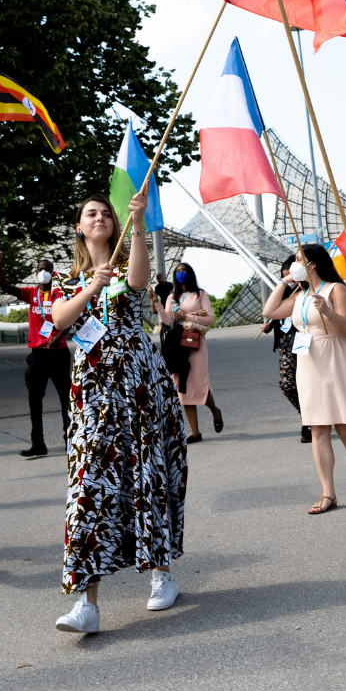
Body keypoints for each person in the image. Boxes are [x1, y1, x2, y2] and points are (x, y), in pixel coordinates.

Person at [51, 191, 187, 634]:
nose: (100, 218)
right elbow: (59, 319)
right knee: (91, 486)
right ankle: (87, 604)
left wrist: (138, 222)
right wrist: (92, 284)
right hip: (93, 395)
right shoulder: (64, 278)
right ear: (78, 226)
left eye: (106, 213)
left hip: (139, 385)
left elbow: (137, 280)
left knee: (148, 473)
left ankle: (161, 573)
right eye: (91, 214)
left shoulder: (126, 263)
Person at [264, 244, 346, 512]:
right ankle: (329, 493)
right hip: (308, 363)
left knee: (344, 426)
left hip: (334, 359)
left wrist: (327, 310)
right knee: (317, 429)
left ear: (312, 263)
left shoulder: (336, 289)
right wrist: (284, 280)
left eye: (297, 260)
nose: (294, 263)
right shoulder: (300, 294)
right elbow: (269, 312)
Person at [0, 249, 72, 458]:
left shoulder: (59, 294)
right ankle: (38, 443)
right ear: (36, 273)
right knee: (35, 398)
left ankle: (70, 439)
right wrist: (0, 264)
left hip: (59, 351)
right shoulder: (30, 293)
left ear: (53, 273)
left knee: (66, 397)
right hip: (38, 354)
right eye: (39, 269)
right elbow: (5, 287)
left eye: (46, 269)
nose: (43, 272)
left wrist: (60, 335)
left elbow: (71, 318)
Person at [151, 262, 222, 444]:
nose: (181, 273)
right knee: (182, 385)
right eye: (177, 271)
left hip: (195, 341)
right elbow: (167, 320)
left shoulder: (200, 294)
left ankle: (215, 411)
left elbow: (210, 319)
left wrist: (187, 317)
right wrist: (158, 303)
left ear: (190, 273)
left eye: (184, 270)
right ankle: (196, 432)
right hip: (177, 342)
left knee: (199, 383)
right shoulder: (172, 297)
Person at [261, 254, 311, 443]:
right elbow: (273, 315)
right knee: (287, 384)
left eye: (292, 276)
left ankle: (310, 423)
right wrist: (268, 327)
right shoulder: (283, 293)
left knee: (305, 382)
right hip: (285, 343)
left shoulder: (306, 292)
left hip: (303, 339)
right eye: (285, 278)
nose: (290, 282)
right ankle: (307, 416)